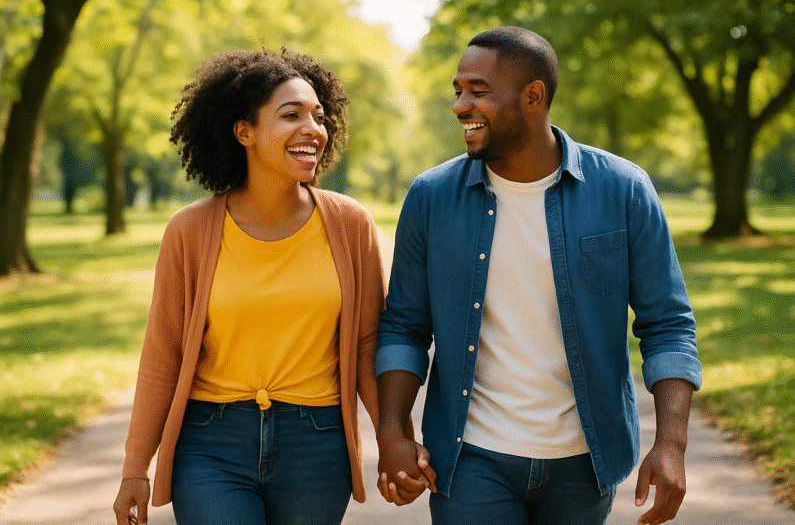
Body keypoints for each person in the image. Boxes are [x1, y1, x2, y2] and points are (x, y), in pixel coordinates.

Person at [374, 26, 702, 525]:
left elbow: (668, 324)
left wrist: (672, 444)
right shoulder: (431, 197)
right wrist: (393, 435)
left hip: (583, 463)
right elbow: (404, 325)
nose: (462, 105)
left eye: (479, 92)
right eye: (458, 91)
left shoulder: (623, 190)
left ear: (533, 97)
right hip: (470, 459)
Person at [113, 47, 392, 525]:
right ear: (244, 131)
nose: (313, 129)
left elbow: (368, 344)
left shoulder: (350, 225)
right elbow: (164, 353)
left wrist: (394, 441)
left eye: (319, 117)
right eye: (291, 115)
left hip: (317, 445)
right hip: (211, 443)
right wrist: (135, 467)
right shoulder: (191, 231)